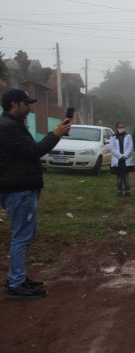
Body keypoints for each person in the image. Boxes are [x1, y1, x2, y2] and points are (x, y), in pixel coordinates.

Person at [0, 88, 70, 299]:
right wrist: (55, 134)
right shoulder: (9, 128)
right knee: (22, 237)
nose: (29, 108)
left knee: (24, 235)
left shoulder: (11, 125)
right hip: (19, 189)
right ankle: (16, 284)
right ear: (14, 104)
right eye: (26, 103)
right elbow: (34, 151)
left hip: (18, 188)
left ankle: (18, 278)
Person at [109, 122, 134, 196]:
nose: (121, 128)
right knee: (119, 176)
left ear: (124, 128)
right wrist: (120, 156)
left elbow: (130, 146)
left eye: (122, 127)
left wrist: (125, 155)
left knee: (126, 176)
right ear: (116, 128)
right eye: (119, 127)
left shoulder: (128, 136)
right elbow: (112, 148)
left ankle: (127, 191)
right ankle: (119, 191)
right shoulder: (113, 137)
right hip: (118, 159)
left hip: (126, 159)